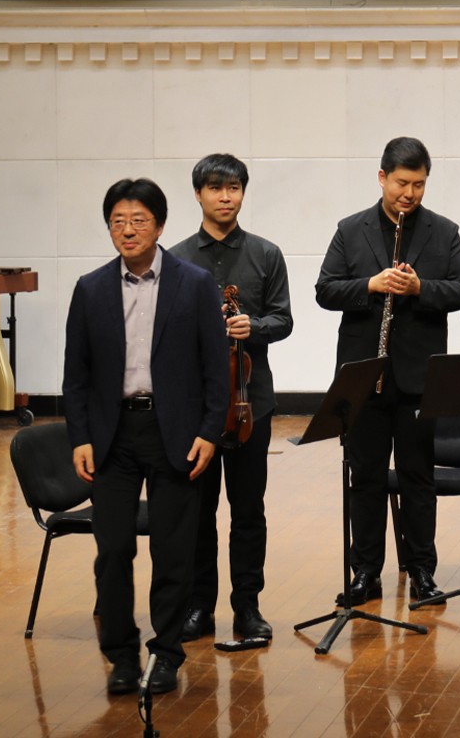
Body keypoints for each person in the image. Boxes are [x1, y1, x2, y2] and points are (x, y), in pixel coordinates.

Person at [63, 178, 228, 696]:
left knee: (173, 552)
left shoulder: (194, 284)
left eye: (138, 221)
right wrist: (80, 436)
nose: (128, 230)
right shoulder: (90, 288)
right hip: (112, 436)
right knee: (112, 551)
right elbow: (76, 374)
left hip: (173, 432)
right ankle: (120, 656)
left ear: (159, 226)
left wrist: (210, 431)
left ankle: (166, 654)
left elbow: (215, 369)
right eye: (118, 221)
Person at [315, 137, 460, 606]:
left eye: (419, 185)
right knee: (364, 477)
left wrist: (420, 287)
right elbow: (325, 289)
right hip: (364, 377)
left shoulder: (444, 231)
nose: (410, 193)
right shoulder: (351, 229)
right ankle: (365, 573)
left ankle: (422, 570)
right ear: (382, 177)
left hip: (418, 378)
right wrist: (371, 284)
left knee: (417, 477)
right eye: (402, 183)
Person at [168, 154, 293, 645]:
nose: (226, 197)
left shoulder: (266, 254)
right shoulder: (175, 260)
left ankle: (248, 607)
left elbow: (283, 319)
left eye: (234, 188)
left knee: (248, 511)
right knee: (198, 513)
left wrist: (252, 326)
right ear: (198, 194)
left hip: (249, 405)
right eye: (216, 188)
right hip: (195, 409)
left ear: (243, 192)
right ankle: (199, 607)